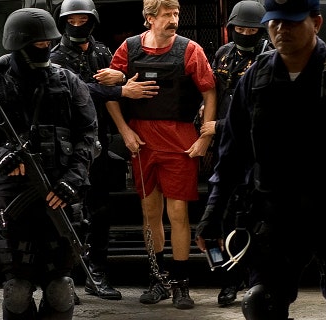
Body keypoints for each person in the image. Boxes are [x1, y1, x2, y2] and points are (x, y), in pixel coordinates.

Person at [194, 0, 326, 318]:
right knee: (261, 304)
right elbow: (232, 151)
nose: (281, 29)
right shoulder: (255, 77)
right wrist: (213, 214)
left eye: (291, 22)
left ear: (315, 23)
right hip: (276, 214)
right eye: (275, 22)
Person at [0, 7, 97, 320]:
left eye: (49, 43)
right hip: (12, 196)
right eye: (39, 44)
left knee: (60, 288)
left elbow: (88, 136)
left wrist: (73, 178)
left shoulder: (68, 83)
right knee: (17, 291)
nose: (46, 49)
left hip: (60, 193)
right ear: (17, 44)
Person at [105, 0, 216, 310]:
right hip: (141, 140)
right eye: (168, 14)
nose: (174, 19)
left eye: (177, 13)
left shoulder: (190, 49)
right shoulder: (129, 49)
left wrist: (206, 136)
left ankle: (182, 284)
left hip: (179, 139)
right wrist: (124, 131)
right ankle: (158, 279)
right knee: (149, 213)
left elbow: (209, 90)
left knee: (177, 214)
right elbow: (108, 91)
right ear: (150, 18)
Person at [49, 0, 159, 302]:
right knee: (71, 212)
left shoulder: (100, 51)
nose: (77, 24)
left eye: (83, 19)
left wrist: (121, 81)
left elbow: (115, 86)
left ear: (93, 21)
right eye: (72, 19)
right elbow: (78, 89)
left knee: (100, 211)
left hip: (97, 142)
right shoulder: (56, 56)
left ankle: (96, 273)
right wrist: (120, 88)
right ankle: (67, 276)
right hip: (67, 146)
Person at [197, 0, 270, 307]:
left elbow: (261, 113)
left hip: (257, 153)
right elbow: (216, 93)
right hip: (227, 148)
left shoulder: (269, 60)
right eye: (239, 28)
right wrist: (204, 120)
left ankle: (255, 284)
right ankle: (229, 282)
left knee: (254, 220)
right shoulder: (224, 54)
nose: (244, 34)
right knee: (224, 217)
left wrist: (219, 125)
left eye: (250, 30)